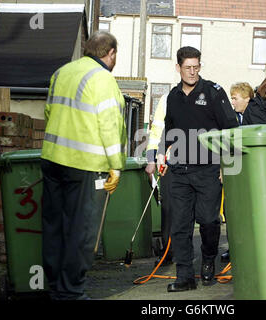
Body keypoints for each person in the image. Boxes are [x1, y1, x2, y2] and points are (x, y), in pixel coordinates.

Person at [40, 31, 127, 300]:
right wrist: (117, 166)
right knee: (81, 229)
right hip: (86, 166)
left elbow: (48, 112)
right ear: (110, 53)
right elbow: (110, 125)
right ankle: (71, 291)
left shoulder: (61, 73)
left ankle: (55, 287)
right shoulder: (103, 79)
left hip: (53, 160)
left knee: (54, 226)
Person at [160, 46, 239, 292]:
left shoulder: (214, 93)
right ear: (178, 68)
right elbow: (169, 129)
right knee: (180, 226)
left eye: (196, 67)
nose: (193, 72)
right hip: (180, 171)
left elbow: (230, 128)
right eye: (187, 68)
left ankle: (207, 261)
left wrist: (226, 164)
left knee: (208, 221)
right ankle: (184, 277)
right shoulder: (173, 96)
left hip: (208, 170)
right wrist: (163, 153)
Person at [219, 82, 254, 263]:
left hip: (247, 170)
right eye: (231, 98)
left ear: (247, 98)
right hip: (232, 168)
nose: (233, 102)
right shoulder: (231, 118)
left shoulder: (254, 118)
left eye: (235, 98)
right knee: (231, 210)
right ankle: (233, 248)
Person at [145, 94, 173, 266]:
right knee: (168, 209)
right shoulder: (166, 99)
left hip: (195, 164)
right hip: (168, 164)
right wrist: (150, 159)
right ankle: (168, 252)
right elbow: (156, 132)